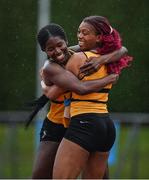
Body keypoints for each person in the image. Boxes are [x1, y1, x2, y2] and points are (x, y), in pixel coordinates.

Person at [31, 22, 128, 179]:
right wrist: (111, 77)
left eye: (60, 45)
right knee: (40, 176)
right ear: (44, 51)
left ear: (67, 42)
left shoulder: (76, 53)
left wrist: (101, 60)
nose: (57, 51)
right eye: (50, 49)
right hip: (58, 123)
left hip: (80, 121)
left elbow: (122, 50)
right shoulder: (51, 67)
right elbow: (73, 89)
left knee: (101, 176)